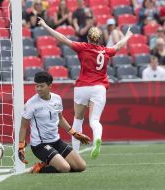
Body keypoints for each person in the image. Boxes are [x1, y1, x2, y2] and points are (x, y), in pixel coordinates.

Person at [37, 17, 133, 159]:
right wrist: (128, 36)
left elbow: (63, 38)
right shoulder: (106, 51)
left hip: (82, 87)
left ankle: (75, 154)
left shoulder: (83, 47)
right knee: (94, 121)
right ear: (99, 39)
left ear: (88, 38)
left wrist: (45, 25)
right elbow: (118, 45)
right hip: (99, 88)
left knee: (78, 119)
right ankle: (97, 139)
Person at [18, 71, 90, 173]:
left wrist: (74, 134)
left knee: (81, 166)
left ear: (50, 86)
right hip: (40, 145)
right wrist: (21, 146)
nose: (38, 89)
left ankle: (54, 162)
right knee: (65, 168)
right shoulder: (31, 103)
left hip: (56, 142)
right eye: (36, 86)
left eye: (41, 86)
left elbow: (60, 119)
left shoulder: (57, 99)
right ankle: (38, 168)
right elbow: (23, 126)